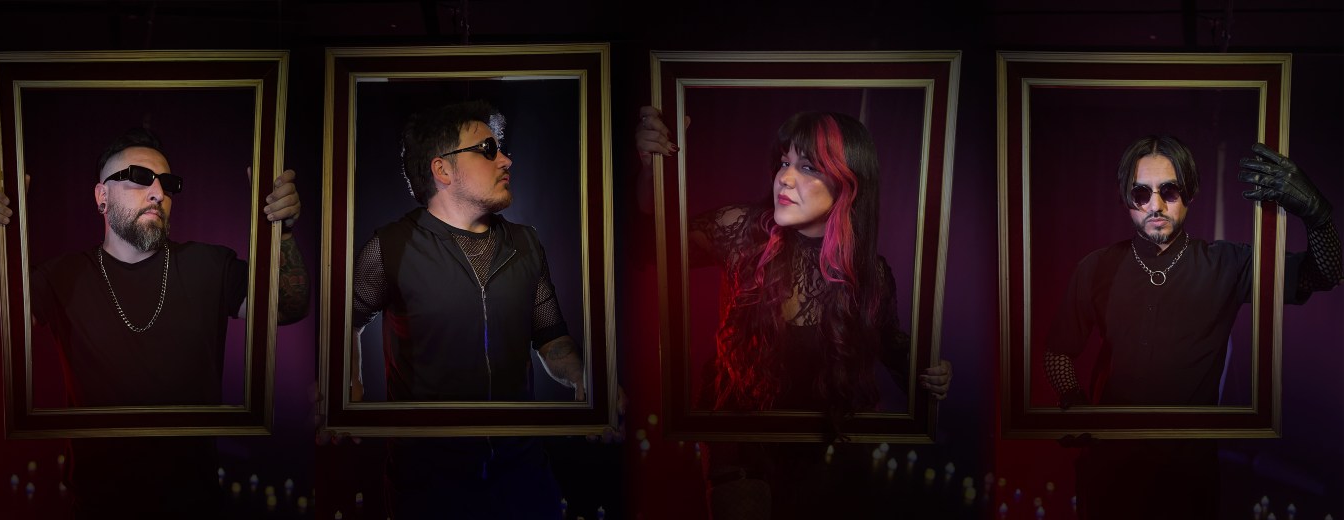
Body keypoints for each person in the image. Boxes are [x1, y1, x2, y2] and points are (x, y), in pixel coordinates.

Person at [0, 127, 309, 518]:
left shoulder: (210, 265)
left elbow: (288, 307)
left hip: (194, 504)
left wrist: (283, 231)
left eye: (167, 183)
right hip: (97, 506)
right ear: (102, 196)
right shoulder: (63, 276)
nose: (158, 192)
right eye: (139, 178)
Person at [635, 106, 953, 518]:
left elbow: (891, 345)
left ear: (848, 184)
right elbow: (652, 245)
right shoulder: (740, 229)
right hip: (740, 441)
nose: (784, 178)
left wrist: (931, 372)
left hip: (823, 450)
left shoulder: (868, 272)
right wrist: (651, 170)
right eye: (784, 162)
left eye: (807, 167)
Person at [1041, 135, 1341, 519]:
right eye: (1141, 193)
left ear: (1191, 193)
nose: (1156, 205)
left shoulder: (1226, 265)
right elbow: (1059, 350)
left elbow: (1324, 274)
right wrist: (1073, 400)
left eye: (1169, 191)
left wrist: (1317, 214)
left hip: (1188, 480)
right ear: (1126, 199)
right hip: (1108, 472)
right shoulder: (1095, 267)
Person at [350, 100, 584, 519]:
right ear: (442, 170)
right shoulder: (389, 246)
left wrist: (585, 378)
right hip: (428, 486)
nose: (506, 159)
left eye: (502, 148)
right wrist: (347, 385)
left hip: (524, 477)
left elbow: (551, 337)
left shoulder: (527, 243)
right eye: (488, 149)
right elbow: (344, 321)